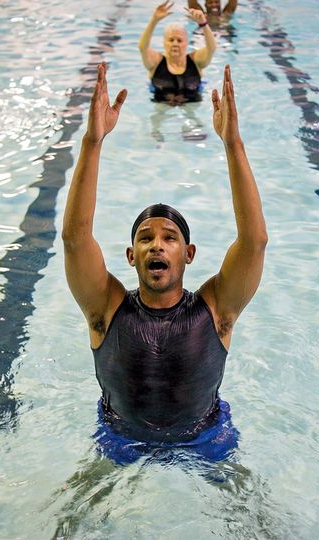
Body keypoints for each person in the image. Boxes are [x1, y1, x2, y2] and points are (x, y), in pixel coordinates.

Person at [62, 63, 267, 464]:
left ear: (188, 254)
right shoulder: (105, 308)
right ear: (130, 256)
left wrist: (233, 145)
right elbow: (74, 240)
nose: (157, 245)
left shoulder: (216, 309)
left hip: (206, 435)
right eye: (146, 238)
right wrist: (92, 141)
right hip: (121, 437)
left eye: (170, 238)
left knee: (252, 519)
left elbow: (255, 242)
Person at [139, 1, 217, 105]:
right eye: (171, 40)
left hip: (192, 103)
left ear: (186, 43)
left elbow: (211, 48)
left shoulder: (196, 60)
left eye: (179, 40)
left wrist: (203, 23)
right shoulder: (156, 61)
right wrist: (154, 20)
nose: (175, 44)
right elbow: (143, 47)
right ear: (164, 43)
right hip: (161, 103)